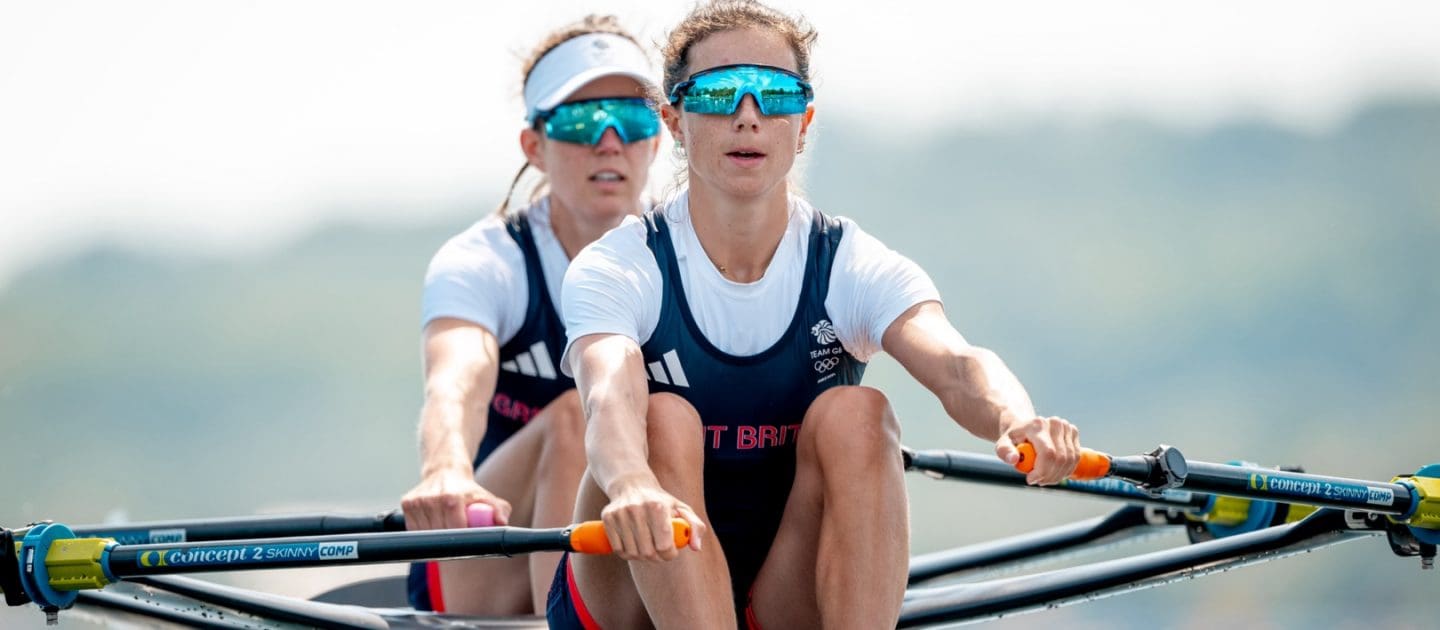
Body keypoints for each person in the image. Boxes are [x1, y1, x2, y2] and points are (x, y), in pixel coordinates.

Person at [547, 1, 1086, 628]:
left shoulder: (849, 262)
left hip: (784, 585)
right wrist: (631, 483)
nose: (748, 116)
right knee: (662, 419)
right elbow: (608, 396)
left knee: (860, 415)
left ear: (803, 122)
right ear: (675, 121)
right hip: (632, 594)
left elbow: (958, 365)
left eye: (775, 94)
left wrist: (1017, 419)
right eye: (719, 93)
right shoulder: (621, 265)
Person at [398, 15, 662, 615]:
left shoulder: (687, 254)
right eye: (580, 122)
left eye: (633, 118)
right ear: (534, 147)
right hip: (482, 555)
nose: (609, 142)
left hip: (625, 544)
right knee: (576, 417)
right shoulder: (487, 260)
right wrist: (445, 468)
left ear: (659, 135)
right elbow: (455, 385)